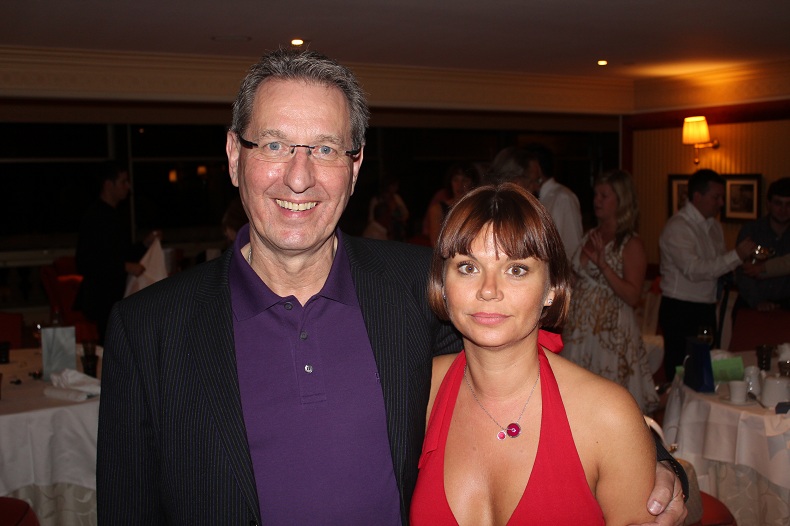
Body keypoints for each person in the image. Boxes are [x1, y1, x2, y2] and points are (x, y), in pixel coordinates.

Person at [96, 49, 687, 525]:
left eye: (325, 149)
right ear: (233, 155)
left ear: (354, 168)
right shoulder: (148, 330)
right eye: (273, 145)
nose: (299, 177)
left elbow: (520, 370)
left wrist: (654, 461)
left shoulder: (416, 287)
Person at [412, 183, 658, 524]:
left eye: (516, 269)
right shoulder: (418, 389)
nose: (488, 291)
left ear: (551, 288)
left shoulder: (608, 416)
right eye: (468, 267)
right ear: (442, 284)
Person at [563, 170, 659, 413]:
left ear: (621, 200)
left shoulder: (630, 243)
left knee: (608, 403)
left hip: (610, 331)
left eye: (604, 195)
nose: (597, 200)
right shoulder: (590, 235)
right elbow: (577, 278)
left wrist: (604, 266)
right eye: (596, 194)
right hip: (580, 329)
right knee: (575, 400)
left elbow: (633, 296)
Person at [658, 169, 756, 381]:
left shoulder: (714, 226)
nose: (721, 203)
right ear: (697, 196)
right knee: (681, 371)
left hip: (706, 306)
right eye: (716, 197)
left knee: (704, 371)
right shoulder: (678, 227)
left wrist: (740, 267)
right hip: (680, 308)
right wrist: (736, 255)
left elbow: (717, 265)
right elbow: (694, 270)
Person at [73, 161, 157, 343]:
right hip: (102, 298)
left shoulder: (116, 216)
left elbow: (122, 253)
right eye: (123, 182)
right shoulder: (94, 217)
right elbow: (85, 262)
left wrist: (145, 243)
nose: (128, 187)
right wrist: (124, 266)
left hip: (117, 296)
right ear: (108, 185)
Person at [485, 144, 583, 259]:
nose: (536, 188)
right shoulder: (490, 212)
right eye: (533, 181)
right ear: (517, 182)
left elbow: (572, 250)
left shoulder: (562, 198)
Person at [735, 177, 790, 313]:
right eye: (778, 203)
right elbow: (743, 271)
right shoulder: (752, 231)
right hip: (750, 303)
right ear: (768, 204)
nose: (783, 210)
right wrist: (758, 301)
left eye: (789, 204)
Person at [424, 163, 477, 246]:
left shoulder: (478, 208)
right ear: (450, 182)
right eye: (455, 180)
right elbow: (436, 243)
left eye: (465, 180)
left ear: (473, 183)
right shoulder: (437, 209)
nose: (460, 185)